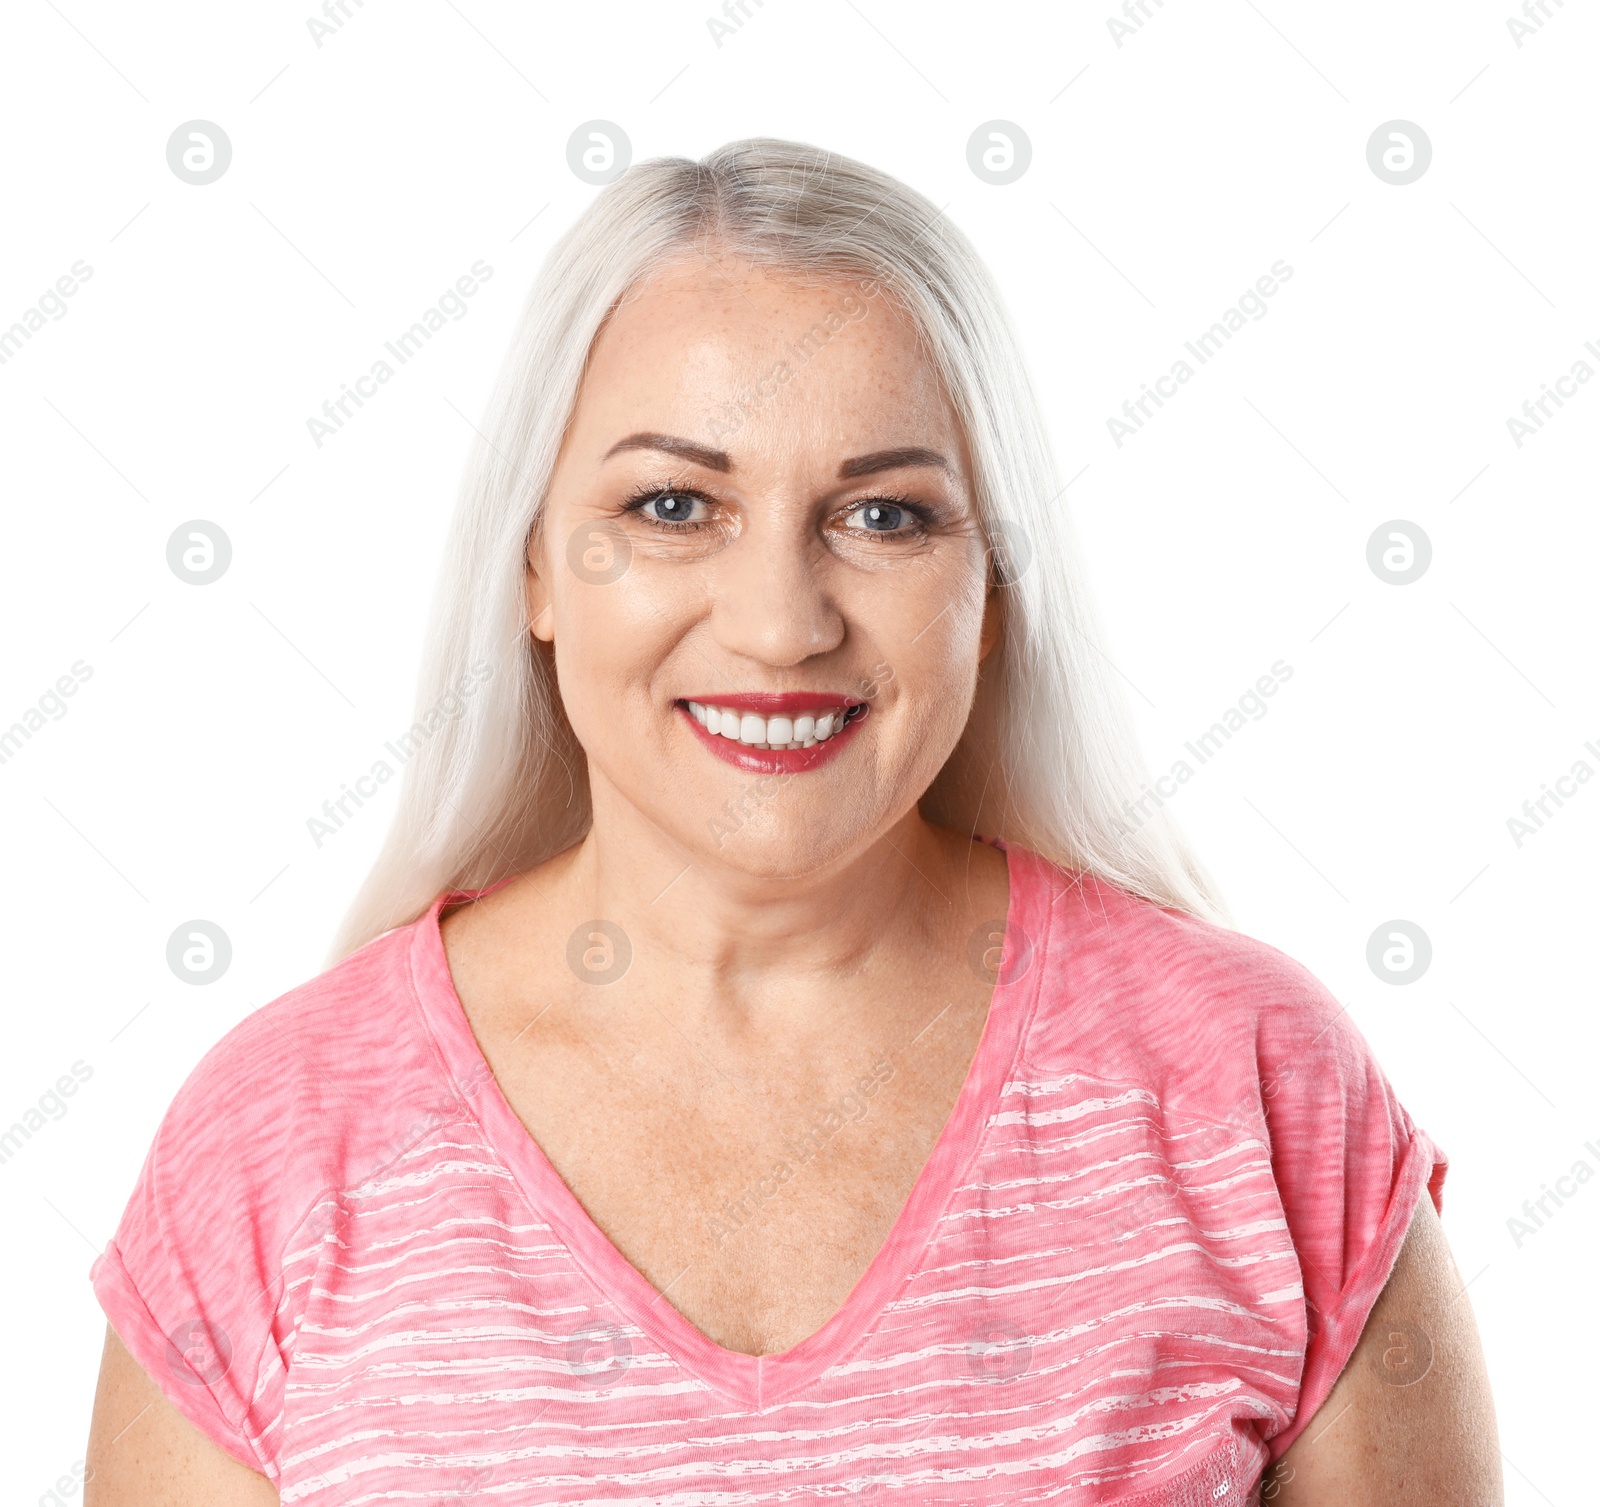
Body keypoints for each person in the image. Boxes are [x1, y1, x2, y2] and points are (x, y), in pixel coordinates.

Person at [84, 138, 1502, 1505]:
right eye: (673, 504)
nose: (778, 625)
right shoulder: (276, 1147)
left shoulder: (1256, 1097)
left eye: (884, 518)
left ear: (995, 590)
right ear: (534, 574)